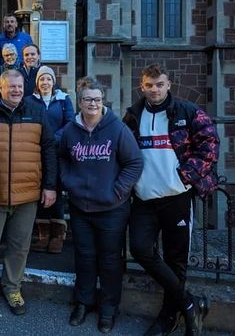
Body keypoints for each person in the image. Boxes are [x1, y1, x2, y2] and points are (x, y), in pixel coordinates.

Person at [123, 63, 219, 336]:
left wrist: (185, 177)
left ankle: (168, 316)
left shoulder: (187, 111)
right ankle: (189, 303)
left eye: (160, 84)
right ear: (142, 86)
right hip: (143, 198)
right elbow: (122, 150)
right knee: (141, 249)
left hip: (176, 197)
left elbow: (210, 145)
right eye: (149, 85)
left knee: (176, 260)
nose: (154, 90)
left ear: (168, 85)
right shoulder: (133, 115)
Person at [0, 69, 57, 321]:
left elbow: (49, 149)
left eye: (20, 86)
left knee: (19, 247)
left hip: (27, 195)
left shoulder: (37, 112)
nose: (16, 90)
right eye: (11, 86)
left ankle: (12, 288)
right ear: (0, 88)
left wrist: (50, 185)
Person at [58, 77, 143, 332]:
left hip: (112, 209)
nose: (92, 103)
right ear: (80, 102)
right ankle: (83, 302)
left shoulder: (117, 129)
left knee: (109, 260)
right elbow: (63, 158)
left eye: (97, 99)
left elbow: (134, 163)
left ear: (102, 100)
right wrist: (67, 181)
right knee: (84, 257)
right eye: (87, 99)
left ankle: (108, 308)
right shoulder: (71, 131)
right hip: (80, 207)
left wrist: (117, 191)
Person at [27, 66, 74, 253]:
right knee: (39, 191)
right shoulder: (29, 101)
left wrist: (53, 139)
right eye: (41, 79)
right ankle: (43, 235)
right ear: (37, 83)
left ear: (53, 82)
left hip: (56, 152)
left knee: (54, 190)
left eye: (48, 79)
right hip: (36, 153)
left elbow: (70, 122)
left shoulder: (63, 100)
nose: (45, 82)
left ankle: (57, 236)